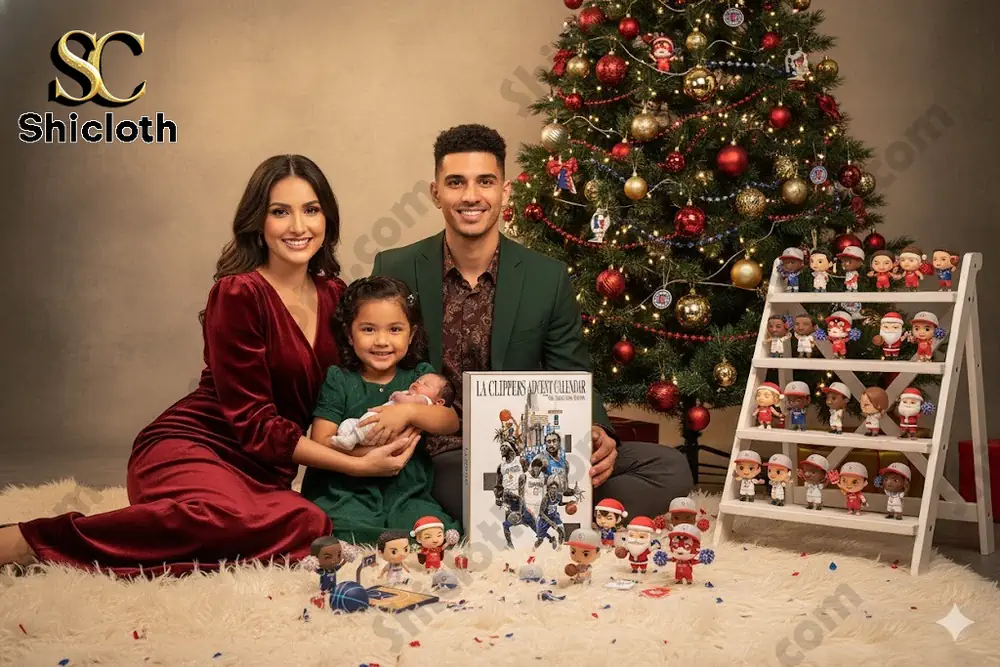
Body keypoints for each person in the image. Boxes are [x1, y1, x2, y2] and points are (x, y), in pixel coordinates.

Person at [0, 155, 416, 575]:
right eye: (280, 212)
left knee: (307, 524)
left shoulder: (336, 296)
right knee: (221, 518)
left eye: (310, 210)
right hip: (195, 445)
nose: (298, 226)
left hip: (265, 471)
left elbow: (359, 382)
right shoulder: (237, 293)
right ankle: (29, 541)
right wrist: (359, 464)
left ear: (328, 219)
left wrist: (411, 408)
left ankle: (183, 526)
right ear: (258, 221)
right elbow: (255, 424)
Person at [370, 124, 693, 523]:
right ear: (436, 193)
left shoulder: (546, 276)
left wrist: (597, 429)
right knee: (462, 481)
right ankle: (563, 513)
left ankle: (528, 513)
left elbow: (570, 368)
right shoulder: (395, 267)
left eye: (485, 182)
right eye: (456, 182)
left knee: (670, 467)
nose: (471, 196)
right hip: (439, 450)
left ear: (505, 192)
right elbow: (374, 364)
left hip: (528, 442)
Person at [300, 276, 462, 545]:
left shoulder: (419, 379)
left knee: (426, 522)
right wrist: (368, 456)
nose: (382, 341)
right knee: (343, 523)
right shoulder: (339, 378)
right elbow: (321, 440)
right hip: (347, 485)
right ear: (350, 336)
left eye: (395, 329)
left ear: (411, 335)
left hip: (406, 487)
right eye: (368, 330)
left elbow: (449, 421)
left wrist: (406, 413)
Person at [329, 370, 451, 452]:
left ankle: (351, 440)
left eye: (426, 384)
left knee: (367, 426)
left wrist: (398, 395)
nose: (418, 383)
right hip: (374, 418)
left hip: (383, 425)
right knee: (349, 422)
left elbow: (405, 401)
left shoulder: (426, 402)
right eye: (419, 380)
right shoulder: (411, 394)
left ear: (439, 402)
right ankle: (346, 436)